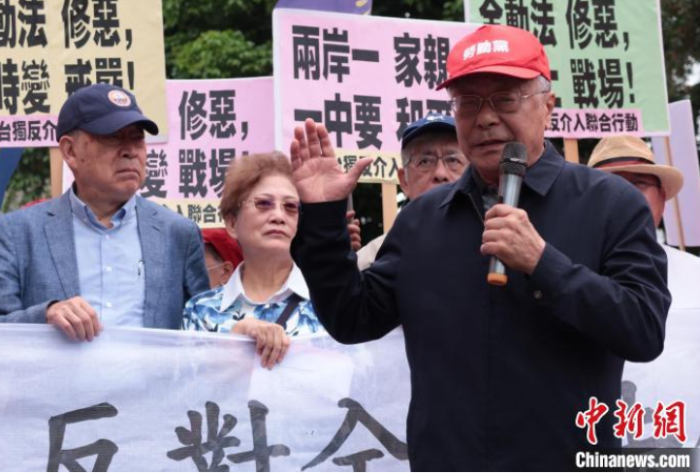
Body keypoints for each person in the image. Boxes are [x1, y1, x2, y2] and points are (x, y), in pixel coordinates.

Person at [289, 24, 670, 470]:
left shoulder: (611, 203)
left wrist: (545, 264)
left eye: (506, 99)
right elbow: (352, 318)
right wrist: (322, 219)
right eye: (468, 102)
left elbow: (643, 329)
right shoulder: (421, 219)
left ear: (548, 106)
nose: (485, 118)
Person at [0, 84, 209, 341]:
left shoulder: (178, 233)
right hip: (57, 382)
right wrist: (46, 314)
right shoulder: (16, 233)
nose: (130, 150)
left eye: (137, 138)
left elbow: (201, 328)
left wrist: (242, 333)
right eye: (113, 136)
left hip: (153, 383)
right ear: (70, 151)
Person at [181, 152, 324, 369]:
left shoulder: (330, 303)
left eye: (290, 207)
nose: (278, 216)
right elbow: (185, 393)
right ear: (231, 222)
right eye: (263, 203)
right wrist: (235, 340)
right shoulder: (200, 311)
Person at [589, 135, 700, 310]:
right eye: (610, 185)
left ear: (662, 198)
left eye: (638, 184)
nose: (625, 197)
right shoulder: (559, 274)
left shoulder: (696, 274)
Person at [357, 114, 467, 270]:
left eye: (453, 160)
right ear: (404, 180)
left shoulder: (496, 248)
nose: (440, 173)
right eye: (425, 161)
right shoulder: (371, 261)